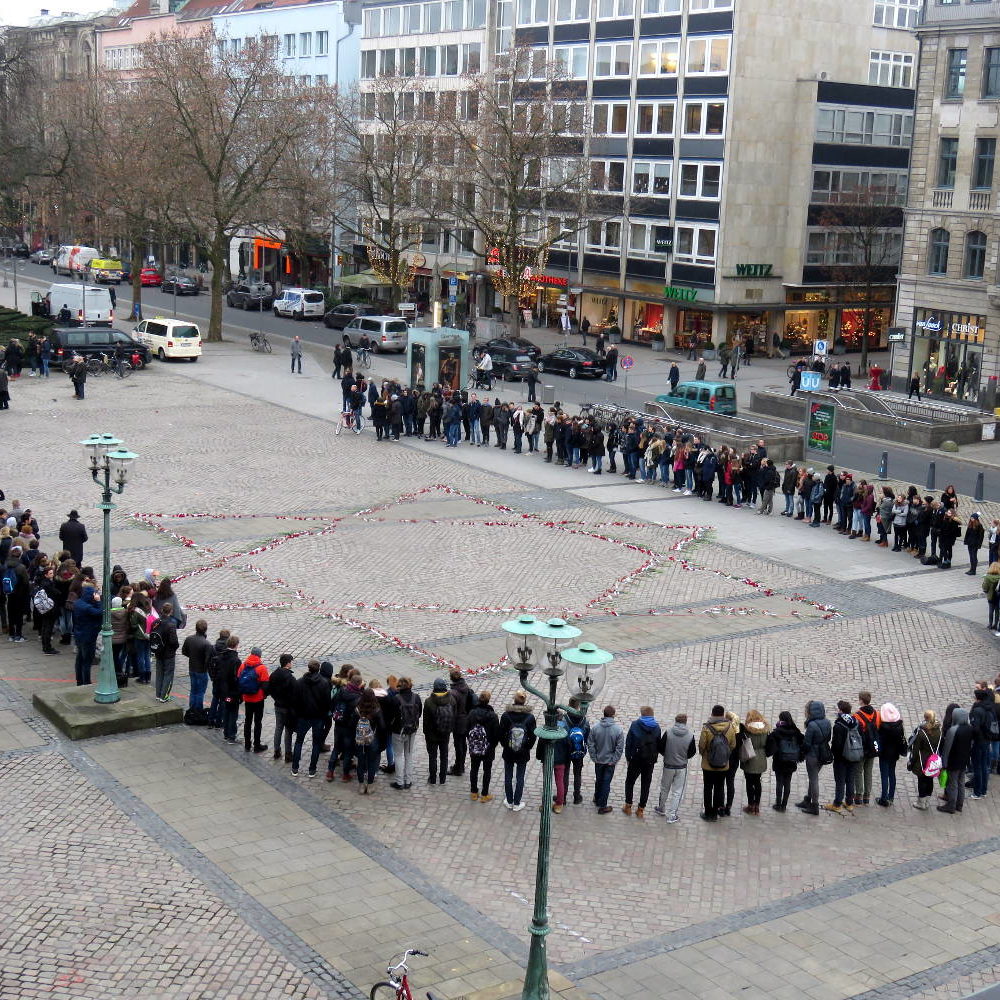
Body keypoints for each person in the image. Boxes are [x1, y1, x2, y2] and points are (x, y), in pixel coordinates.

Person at [289, 659, 331, 776]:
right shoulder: (324, 683)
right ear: (318, 669)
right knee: (316, 744)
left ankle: (295, 768)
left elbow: (294, 701)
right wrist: (324, 714)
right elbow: (327, 702)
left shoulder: (300, 682)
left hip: (303, 716)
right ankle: (312, 769)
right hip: (318, 717)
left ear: (308, 668)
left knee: (299, 741)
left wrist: (297, 714)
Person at [653, 713, 696, 823]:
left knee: (664, 788)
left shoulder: (668, 732)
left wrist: (667, 755)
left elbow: (660, 747)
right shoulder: (690, 735)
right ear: (685, 722)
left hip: (668, 765)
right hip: (681, 767)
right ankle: (672, 815)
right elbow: (692, 752)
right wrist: (683, 757)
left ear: (675, 721)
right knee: (677, 791)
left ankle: (661, 808)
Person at [698, 705, 737, 821]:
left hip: (708, 765)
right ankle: (715, 813)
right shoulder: (730, 727)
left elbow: (702, 745)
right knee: (719, 788)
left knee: (708, 788)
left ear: (712, 713)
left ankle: (708, 812)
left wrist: (705, 755)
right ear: (723, 714)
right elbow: (733, 745)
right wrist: (725, 754)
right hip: (723, 765)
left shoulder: (707, 728)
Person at [499, 690, 536, 811]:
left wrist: (505, 745)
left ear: (514, 700)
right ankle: (517, 803)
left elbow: (501, 734)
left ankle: (509, 801)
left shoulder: (506, 716)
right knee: (520, 777)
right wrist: (527, 747)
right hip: (523, 752)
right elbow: (533, 736)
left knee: (508, 776)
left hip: (508, 751)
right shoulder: (530, 717)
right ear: (524, 701)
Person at [622, 706, 661, 819]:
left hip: (636, 758)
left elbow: (629, 742)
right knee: (645, 784)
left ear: (642, 714)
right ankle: (640, 809)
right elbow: (658, 744)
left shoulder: (635, 725)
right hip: (649, 760)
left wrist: (628, 757)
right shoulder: (657, 727)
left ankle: (628, 806)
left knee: (630, 782)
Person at [825, 700, 862, 814]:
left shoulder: (839, 725)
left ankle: (837, 804)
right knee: (850, 780)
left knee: (840, 781)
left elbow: (837, 744)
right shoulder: (855, 722)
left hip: (841, 758)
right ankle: (849, 803)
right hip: (854, 755)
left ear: (841, 711)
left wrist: (833, 754)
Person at [326, 670, 364, 780]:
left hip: (338, 724)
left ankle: (330, 771)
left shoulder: (342, 691)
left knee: (337, 748)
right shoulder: (358, 697)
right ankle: (345, 774)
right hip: (349, 728)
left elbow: (332, 703)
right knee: (348, 751)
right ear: (359, 684)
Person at [588, 704, 624, 814]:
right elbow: (619, 748)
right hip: (610, 762)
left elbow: (590, 743)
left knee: (599, 779)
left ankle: (597, 797)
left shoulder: (595, 728)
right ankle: (603, 806)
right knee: (606, 783)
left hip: (599, 760)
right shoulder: (618, 730)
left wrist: (594, 757)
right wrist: (614, 760)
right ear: (613, 715)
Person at [465, 689, 500, 802]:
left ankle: (474, 792)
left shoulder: (472, 713)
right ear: (488, 700)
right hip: (488, 748)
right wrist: (493, 745)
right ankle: (485, 795)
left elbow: (467, 729)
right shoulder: (493, 716)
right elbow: (496, 734)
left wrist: (472, 741)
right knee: (487, 770)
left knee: (474, 769)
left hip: (475, 746)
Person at [797, 700, 831, 816]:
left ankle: (814, 805)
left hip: (812, 756)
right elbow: (828, 738)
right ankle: (808, 799)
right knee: (814, 777)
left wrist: (802, 751)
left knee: (813, 779)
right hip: (822, 754)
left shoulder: (811, 725)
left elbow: (807, 743)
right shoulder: (827, 722)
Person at [765, 711, 803, 812]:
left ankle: (778, 804)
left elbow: (770, 747)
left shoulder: (777, 732)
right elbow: (802, 742)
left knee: (779, 782)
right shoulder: (795, 731)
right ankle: (784, 805)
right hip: (791, 761)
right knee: (787, 782)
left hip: (780, 760)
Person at [939, 707, 973, 813]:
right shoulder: (970, 728)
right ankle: (959, 805)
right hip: (964, 760)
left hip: (953, 762)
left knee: (952, 784)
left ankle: (951, 805)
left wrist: (944, 763)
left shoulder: (953, 730)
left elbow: (947, 748)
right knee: (961, 782)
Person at [422, 677, 455, 785]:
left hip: (432, 735)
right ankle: (442, 779)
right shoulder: (451, 700)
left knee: (433, 757)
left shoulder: (428, 702)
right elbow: (454, 717)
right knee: (444, 756)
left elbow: (426, 721)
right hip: (445, 733)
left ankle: (432, 779)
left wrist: (426, 733)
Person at [353, 688, 386, 794]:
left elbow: (352, 724)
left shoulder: (357, 708)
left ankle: (361, 785)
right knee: (372, 763)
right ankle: (370, 785)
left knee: (360, 762)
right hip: (372, 739)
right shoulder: (376, 709)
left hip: (359, 740)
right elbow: (382, 726)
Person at [238, 646, 270, 753]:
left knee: (248, 721)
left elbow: (239, 679)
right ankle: (257, 745)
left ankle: (247, 744)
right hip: (258, 699)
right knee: (257, 722)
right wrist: (265, 695)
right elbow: (266, 685)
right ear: (259, 656)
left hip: (247, 698)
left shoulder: (243, 665)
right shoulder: (261, 668)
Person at [874, 703, 906, 807]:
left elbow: (880, 741)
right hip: (894, 754)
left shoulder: (883, 728)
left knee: (884, 775)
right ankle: (891, 796)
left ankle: (883, 798)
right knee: (892, 774)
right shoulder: (899, 726)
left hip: (884, 755)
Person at [908, 709, 941, 810]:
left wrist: (911, 763)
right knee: (930, 780)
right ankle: (927, 801)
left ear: (925, 718)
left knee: (922, 781)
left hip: (922, 762)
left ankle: (921, 803)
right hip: (933, 762)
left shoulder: (921, 733)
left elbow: (915, 750)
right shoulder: (939, 731)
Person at [268, 653, 298, 762]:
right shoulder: (290, 678)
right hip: (288, 708)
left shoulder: (274, 675)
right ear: (288, 663)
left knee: (278, 728)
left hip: (278, 705)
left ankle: (276, 751)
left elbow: (270, 689)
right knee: (288, 730)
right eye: (291, 662)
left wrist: (277, 699)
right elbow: (295, 694)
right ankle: (288, 754)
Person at [852, 691, 880, 806]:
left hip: (862, 748)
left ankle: (858, 794)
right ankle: (867, 796)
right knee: (868, 771)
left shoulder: (857, 716)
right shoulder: (877, 714)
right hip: (873, 747)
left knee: (858, 771)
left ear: (861, 701)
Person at [969, 686, 997, 799]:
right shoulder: (990, 708)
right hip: (987, 740)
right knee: (984, 766)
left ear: (978, 699)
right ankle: (983, 790)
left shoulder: (977, 710)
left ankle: (977, 792)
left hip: (979, 742)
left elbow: (975, 728)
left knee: (977, 767)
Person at [71, 584, 103, 685]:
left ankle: (79, 681)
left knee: (79, 659)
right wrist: (98, 601)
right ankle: (86, 681)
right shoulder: (87, 607)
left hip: (79, 634)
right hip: (88, 636)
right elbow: (100, 612)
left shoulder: (77, 603)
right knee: (87, 661)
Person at [740, 710, 770, 815]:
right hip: (761, 758)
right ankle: (757, 806)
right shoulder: (765, 730)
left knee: (749, 782)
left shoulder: (747, 730)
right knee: (757, 782)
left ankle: (750, 805)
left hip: (749, 757)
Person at [181, 618, 213, 714]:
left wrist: (192, 657)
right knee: (200, 692)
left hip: (192, 668)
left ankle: (192, 708)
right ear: (205, 629)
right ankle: (198, 710)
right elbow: (208, 661)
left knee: (193, 690)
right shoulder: (207, 644)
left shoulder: (189, 639)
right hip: (201, 671)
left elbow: (184, 651)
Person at [150, 603, 180, 703]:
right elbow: (174, 641)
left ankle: (158, 695)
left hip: (158, 651)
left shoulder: (155, 622)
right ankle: (164, 696)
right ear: (171, 611)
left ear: (162, 610)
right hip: (168, 653)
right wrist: (175, 648)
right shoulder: (171, 625)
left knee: (159, 673)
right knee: (168, 674)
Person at [563, 697, 590, 805]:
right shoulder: (584, 720)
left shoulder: (564, 718)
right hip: (579, 750)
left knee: (565, 773)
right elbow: (587, 735)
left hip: (566, 749)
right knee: (577, 773)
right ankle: (577, 796)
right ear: (578, 706)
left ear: (569, 705)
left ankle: (563, 796)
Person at [982, 560, 1000, 635]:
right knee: (997, 611)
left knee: (991, 610)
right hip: (998, 596)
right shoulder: (999, 577)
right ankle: (996, 625)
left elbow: (985, 588)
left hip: (991, 596)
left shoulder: (987, 577)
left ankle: (990, 624)